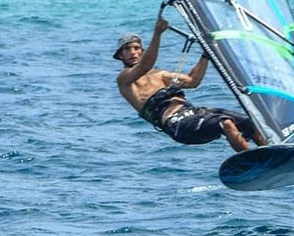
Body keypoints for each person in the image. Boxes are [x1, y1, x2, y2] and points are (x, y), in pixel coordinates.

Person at [114, 17, 267, 152]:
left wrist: (206, 54)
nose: (133, 52)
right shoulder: (124, 80)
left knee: (250, 122)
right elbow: (144, 66)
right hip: (178, 125)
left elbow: (193, 81)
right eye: (127, 49)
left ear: (142, 51)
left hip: (194, 112)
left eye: (137, 48)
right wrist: (158, 34)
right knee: (225, 123)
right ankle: (252, 161)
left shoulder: (160, 75)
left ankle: (270, 152)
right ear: (120, 55)